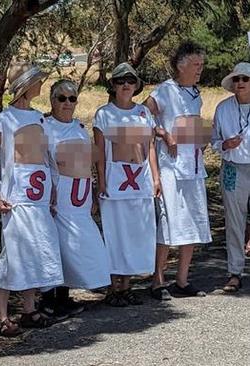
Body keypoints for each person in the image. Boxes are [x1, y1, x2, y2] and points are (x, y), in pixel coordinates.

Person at [0, 63, 63, 337]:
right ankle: (1, 316)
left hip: (38, 201)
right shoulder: (6, 118)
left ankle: (29, 310)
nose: (41, 86)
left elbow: (47, 158)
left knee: (35, 253)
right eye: (37, 81)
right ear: (27, 86)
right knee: (12, 256)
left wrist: (53, 188)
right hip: (16, 199)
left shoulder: (39, 118)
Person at [145, 42, 211, 299]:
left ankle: (182, 280)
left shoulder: (196, 94)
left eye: (201, 65)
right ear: (181, 65)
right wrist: (163, 133)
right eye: (196, 65)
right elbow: (142, 115)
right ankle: (157, 281)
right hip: (171, 166)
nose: (199, 70)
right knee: (168, 221)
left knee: (192, 220)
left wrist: (202, 138)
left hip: (193, 167)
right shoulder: (164, 91)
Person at [41, 79, 111, 316]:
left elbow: (88, 163)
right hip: (58, 197)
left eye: (72, 98)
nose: (67, 103)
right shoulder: (44, 127)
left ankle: (65, 295)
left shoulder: (80, 128)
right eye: (62, 98)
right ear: (52, 100)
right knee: (57, 247)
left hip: (79, 200)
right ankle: (48, 300)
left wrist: (92, 193)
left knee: (79, 247)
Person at [94, 63, 161, 306]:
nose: (126, 85)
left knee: (136, 234)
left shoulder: (143, 112)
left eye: (130, 81)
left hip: (140, 179)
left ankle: (128, 285)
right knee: (116, 234)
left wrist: (156, 177)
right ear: (113, 85)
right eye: (121, 81)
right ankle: (114, 287)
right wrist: (101, 181)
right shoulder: (104, 114)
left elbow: (150, 146)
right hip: (115, 181)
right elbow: (100, 152)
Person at [211, 62, 250, 293]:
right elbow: (213, 140)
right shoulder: (223, 108)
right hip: (233, 167)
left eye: (245, 79)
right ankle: (234, 272)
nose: (241, 83)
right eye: (237, 80)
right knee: (234, 221)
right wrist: (224, 144)